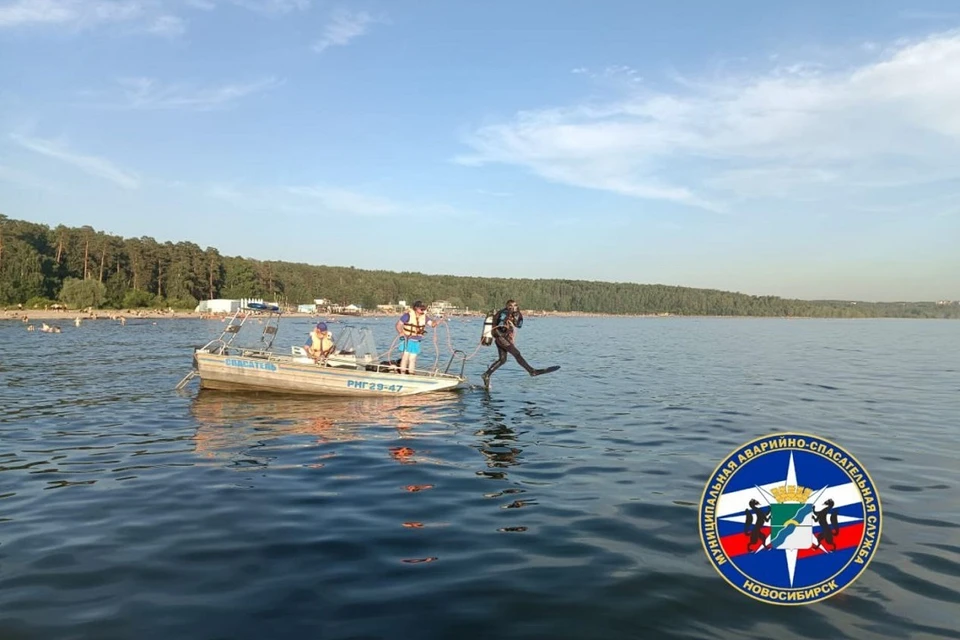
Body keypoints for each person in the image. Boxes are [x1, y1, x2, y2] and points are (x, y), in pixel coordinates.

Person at [481, 299, 554, 389]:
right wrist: (506, 324)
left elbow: (518, 325)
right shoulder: (504, 312)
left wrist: (516, 316)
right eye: (512, 306)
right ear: (508, 306)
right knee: (517, 353)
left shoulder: (513, 313)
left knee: (502, 359)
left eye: (515, 306)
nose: (514, 307)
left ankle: (486, 374)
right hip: (501, 337)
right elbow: (500, 325)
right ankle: (532, 371)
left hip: (501, 338)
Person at [395, 301, 440, 374]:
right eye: (421, 309)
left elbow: (432, 324)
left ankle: (411, 373)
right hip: (407, 339)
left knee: (413, 358)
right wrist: (401, 332)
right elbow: (398, 325)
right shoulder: (407, 316)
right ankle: (402, 373)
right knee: (405, 357)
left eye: (424, 309)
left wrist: (437, 322)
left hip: (416, 340)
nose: (423, 311)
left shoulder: (424, 317)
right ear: (416, 308)